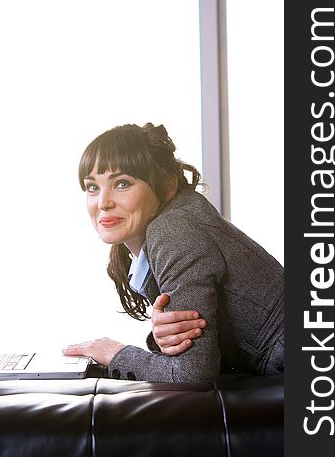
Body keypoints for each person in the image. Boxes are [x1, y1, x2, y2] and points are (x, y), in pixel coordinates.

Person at [63, 123, 284, 383]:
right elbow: (200, 354)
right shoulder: (171, 225)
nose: (103, 202)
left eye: (122, 183)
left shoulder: (173, 229)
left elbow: (192, 375)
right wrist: (162, 339)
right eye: (92, 187)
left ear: (167, 186)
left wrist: (116, 354)